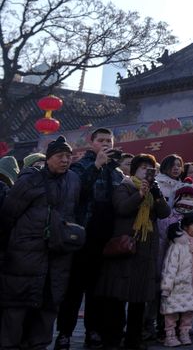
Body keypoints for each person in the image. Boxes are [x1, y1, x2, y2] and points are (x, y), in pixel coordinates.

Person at [0, 136, 80, 350]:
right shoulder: (30, 180)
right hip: (24, 256)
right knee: (16, 309)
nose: (65, 160)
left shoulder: (73, 181)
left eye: (68, 156)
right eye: (60, 156)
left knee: (47, 308)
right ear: (48, 159)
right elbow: (8, 215)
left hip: (57, 257)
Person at [97, 153, 171, 350]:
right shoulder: (125, 186)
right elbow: (121, 208)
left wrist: (155, 194)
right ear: (134, 170)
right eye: (143, 167)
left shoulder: (155, 189)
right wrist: (139, 195)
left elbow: (165, 213)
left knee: (139, 299)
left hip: (146, 250)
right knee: (118, 297)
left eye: (150, 168)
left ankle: (134, 339)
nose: (147, 171)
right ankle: (112, 338)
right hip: (126, 247)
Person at [54, 127, 118, 350]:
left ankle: (93, 331)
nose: (105, 144)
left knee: (97, 290)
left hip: (105, 238)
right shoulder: (81, 165)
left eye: (108, 141)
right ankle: (64, 333)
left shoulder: (115, 169)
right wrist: (97, 165)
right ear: (92, 143)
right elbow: (77, 192)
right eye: (101, 140)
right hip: (82, 235)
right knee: (74, 289)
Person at [160, 216, 193, 347]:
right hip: (178, 285)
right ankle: (170, 335)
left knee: (189, 310)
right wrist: (167, 286)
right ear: (186, 228)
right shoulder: (178, 245)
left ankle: (184, 333)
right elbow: (170, 267)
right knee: (171, 311)